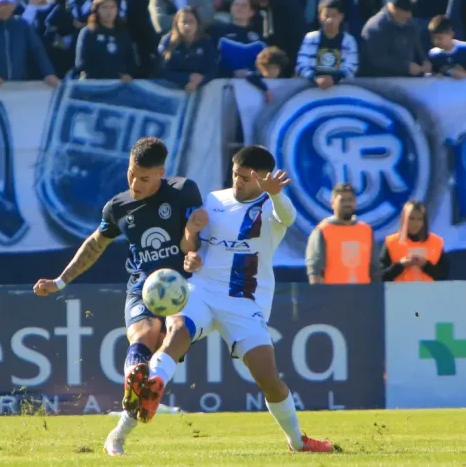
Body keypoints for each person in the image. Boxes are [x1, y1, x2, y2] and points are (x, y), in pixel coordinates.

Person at [126, 145, 335, 454]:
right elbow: (191, 245)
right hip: (202, 290)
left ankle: (297, 441)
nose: (238, 182)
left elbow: (287, 216)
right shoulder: (215, 200)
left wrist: (275, 193)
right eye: (235, 175)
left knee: (268, 378)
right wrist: (191, 253)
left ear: (262, 179)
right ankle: (143, 398)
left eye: (246, 179)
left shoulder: (272, 206)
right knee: (176, 333)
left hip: (243, 301)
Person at [31, 137, 206, 456]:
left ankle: (126, 419)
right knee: (143, 335)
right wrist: (60, 281)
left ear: (161, 173)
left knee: (175, 331)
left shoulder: (184, 191)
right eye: (131, 174)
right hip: (142, 286)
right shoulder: (118, 207)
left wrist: (194, 255)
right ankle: (135, 379)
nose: (135, 184)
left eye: (144, 178)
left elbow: (194, 234)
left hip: (184, 287)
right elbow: (95, 245)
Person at [380, 201, 449, 282]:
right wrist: (401, 265)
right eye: (411, 218)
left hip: (428, 289)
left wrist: (425, 265)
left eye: (420, 219)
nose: (415, 223)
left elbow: (443, 275)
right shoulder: (391, 242)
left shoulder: (435, 242)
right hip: (400, 289)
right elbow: (381, 276)